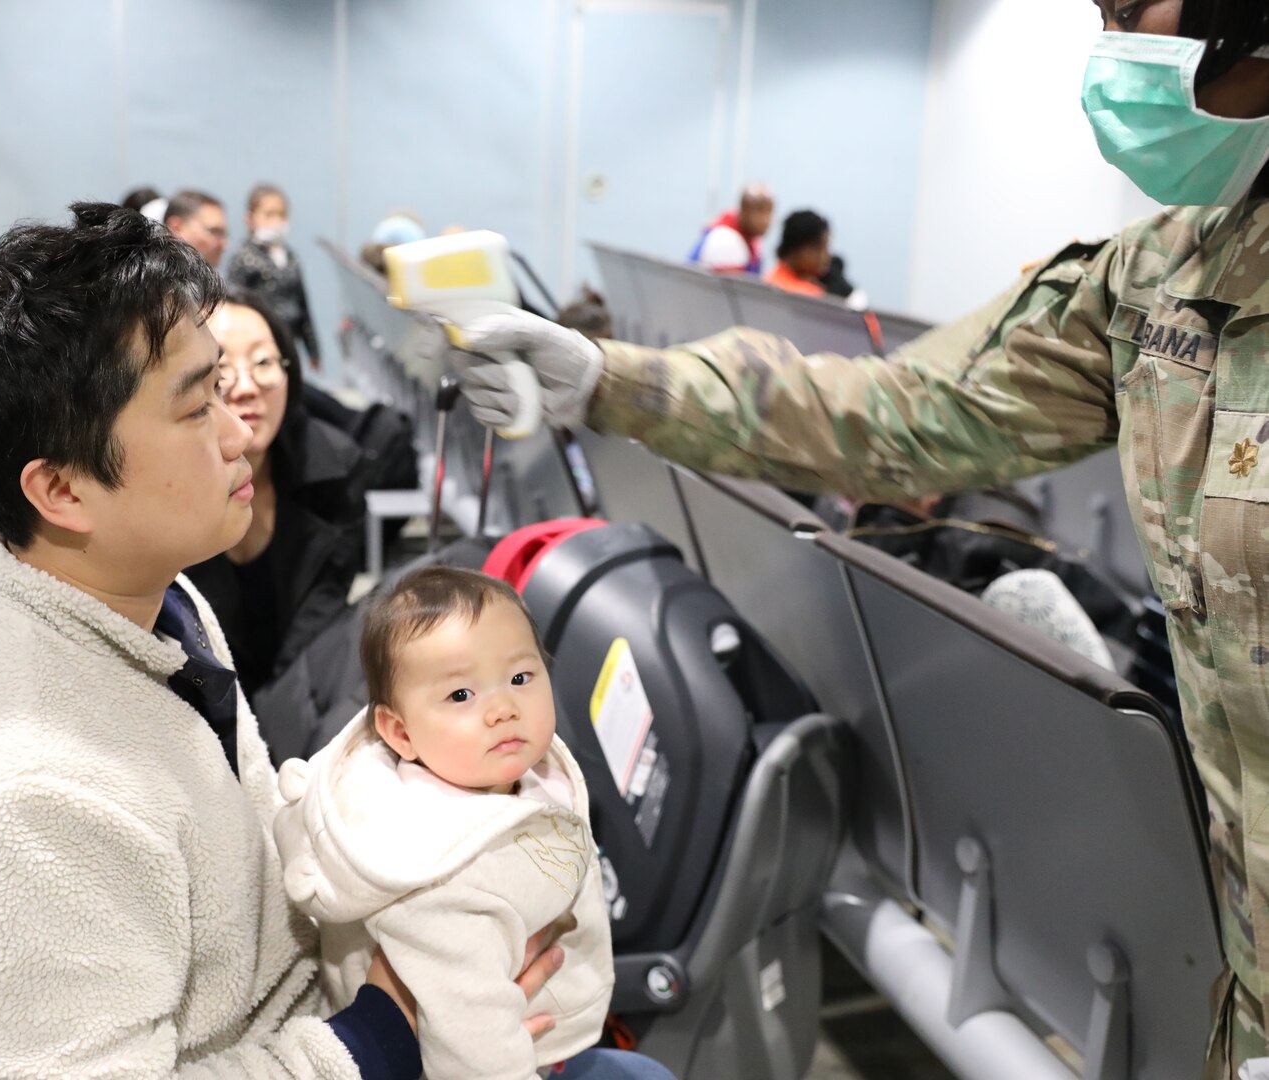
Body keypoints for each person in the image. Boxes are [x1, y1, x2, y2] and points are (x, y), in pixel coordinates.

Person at [452, 3, 1269, 1073]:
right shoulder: (1170, 273)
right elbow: (907, 411)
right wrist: (613, 378)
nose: (1112, 45)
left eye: (1131, 6)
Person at [0, 202, 659, 1080]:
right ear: (64, 490)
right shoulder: (17, 818)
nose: (242, 433)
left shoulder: (148, 594)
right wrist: (388, 1028)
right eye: (198, 409)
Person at [274, 566, 618, 1080]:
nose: (503, 707)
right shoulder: (436, 872)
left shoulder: (509, 771)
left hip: (540, 1017)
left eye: (520, 678)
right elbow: (472, 1045)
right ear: (400, 732)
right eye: (461, 695)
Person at [184, 287, 365, 698]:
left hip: (303, 695)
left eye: (263, 362)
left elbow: (321, 619)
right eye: (223, 368)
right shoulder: (163, 482)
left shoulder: (335, 469)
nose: (247, 387)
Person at [228, 183, 322, 368]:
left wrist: (313, 349)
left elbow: (303, 303)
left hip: (290, 343)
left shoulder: (290, 257)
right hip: (258, 345)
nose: (276, 221)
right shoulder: (244, 258)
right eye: (269, 214)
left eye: (282, 214)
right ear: (250, 218)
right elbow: (234, 306)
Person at [689, 183, 775, 275]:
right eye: (759, 211)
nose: (766, 220)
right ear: (744, 210)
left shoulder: (752, 240)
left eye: (769, 211)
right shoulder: (724, 239)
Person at [765, 210, 831, 298]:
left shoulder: (770, 279)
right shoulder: (803, 295)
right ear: (794, 248)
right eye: (818, 248)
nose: (825, 255)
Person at [164, 189, 230, 269]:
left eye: (223, 234)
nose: (224, 245)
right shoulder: (151, 278)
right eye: (214, 231)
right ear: (176, 228)